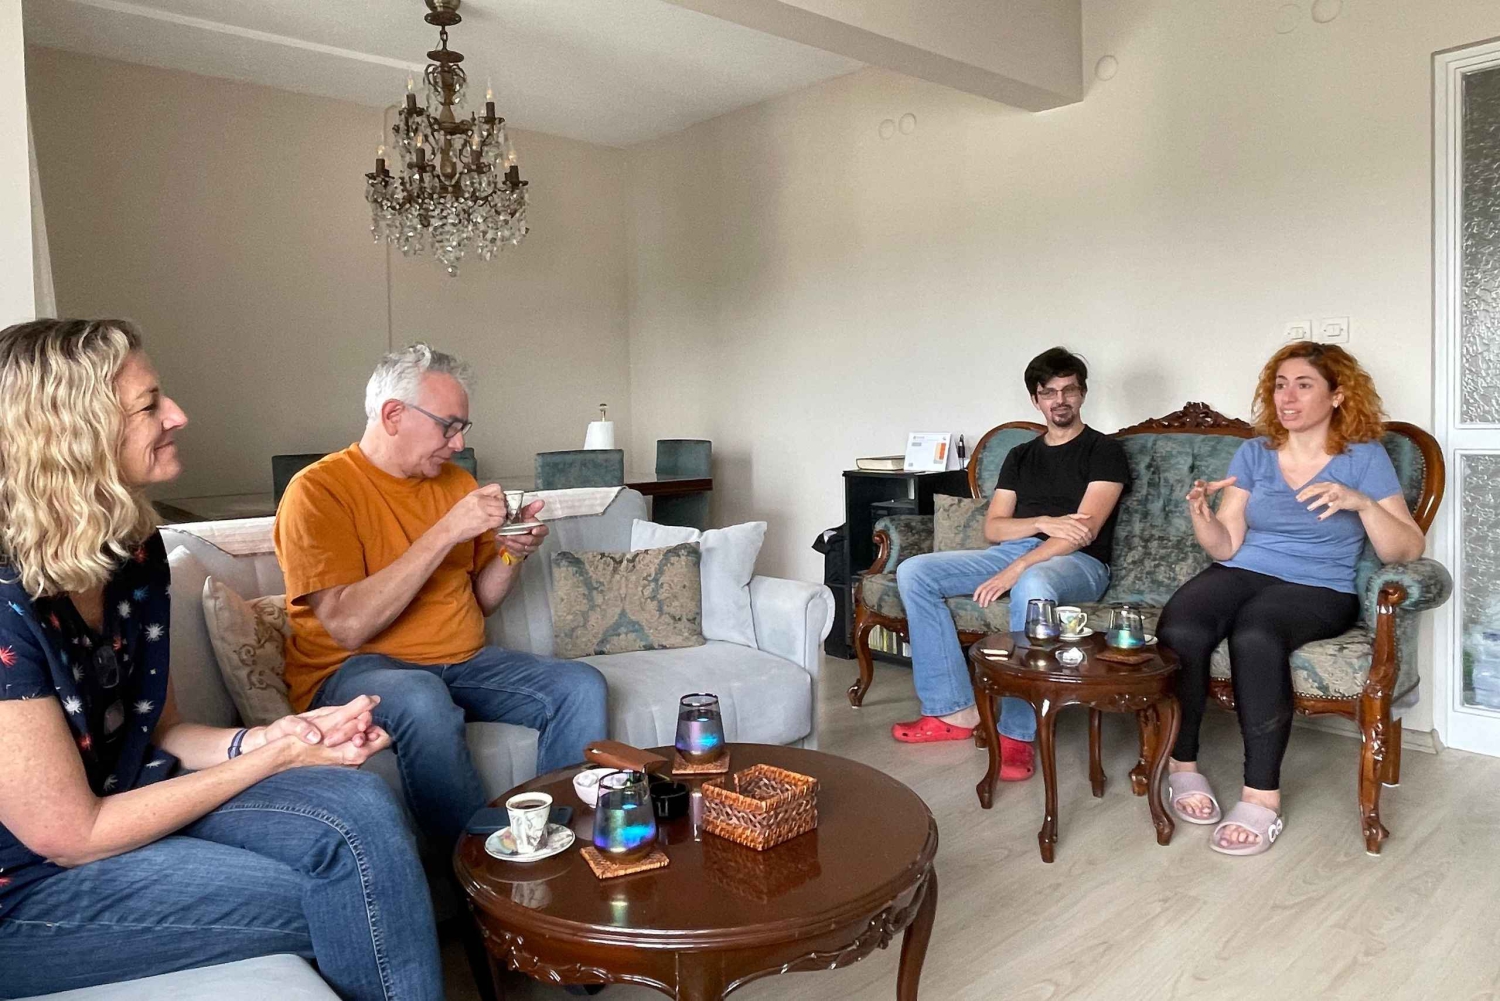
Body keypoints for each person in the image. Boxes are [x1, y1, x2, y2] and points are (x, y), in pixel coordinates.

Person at [0, 319, 441, 999]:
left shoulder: (132, 550)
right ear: (73, 433)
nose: (178, 415)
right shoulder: (6, 598)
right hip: (30, 891)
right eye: (149, 405)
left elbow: (164, 728)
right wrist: (276, 758)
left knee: (360, 803)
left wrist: (269, 737)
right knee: (360, 890)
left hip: (130, 801)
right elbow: (74, 835)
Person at [274, 343, 608, 854]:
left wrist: (512, 553)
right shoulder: (318, 491)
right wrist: (447, 530)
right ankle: (475, 871)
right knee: (422, 697)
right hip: (354, 670)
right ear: (393, 415)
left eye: (462, 428)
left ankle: (553, 848)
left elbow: (482, 601)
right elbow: (348, 626)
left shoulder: (456, 483)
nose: (457, 443)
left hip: (462, 662)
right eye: (448, 426)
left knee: (580, 685)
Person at [1158, 342, 1425, 856]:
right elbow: (1226, 546)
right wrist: (1202, 516)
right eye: (1280, 385)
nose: (1287, 397)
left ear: (1337, 395)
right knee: (1181, 626)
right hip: (1244, 569)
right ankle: (1182, 765)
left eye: (1304, 385)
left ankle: (1261, 797)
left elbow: (1407, 549)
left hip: (1320, 586)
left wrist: (1362, 504)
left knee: (1256, 633)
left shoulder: (1363, 457)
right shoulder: (1255, 452)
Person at [891, 347, 1131, 781]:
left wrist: (1019, 568)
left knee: (1033, 582)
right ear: (1036, 400)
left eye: (1069, 390)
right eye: (1049, 392)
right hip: (1012, 551)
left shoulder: (1103, 451)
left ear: (1082, 394)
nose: (1060, 400)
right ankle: (953, 711)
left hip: (1078, 562)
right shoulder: (1020, 455)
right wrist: (1040, 522)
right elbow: (994, 528)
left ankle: (1018, 733)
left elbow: (1084, 531)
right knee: (915, 572)